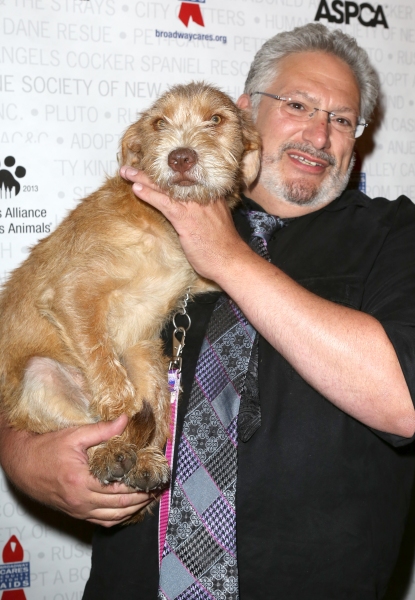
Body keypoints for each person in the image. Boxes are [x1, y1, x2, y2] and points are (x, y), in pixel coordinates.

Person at [1, 22, 415, 599]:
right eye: (298, 104)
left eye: (342, 120)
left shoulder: (396, 234)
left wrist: (226, 256)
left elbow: (403, 401)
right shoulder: (145, 220)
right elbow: (48, 340)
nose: (319, 134)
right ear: (245, 115)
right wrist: (26, 459)